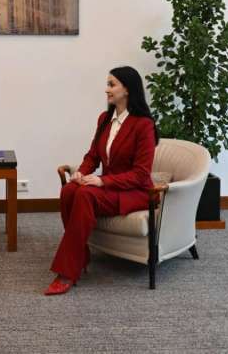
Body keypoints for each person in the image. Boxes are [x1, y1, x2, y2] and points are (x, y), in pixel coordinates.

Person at [45, 66, 159, 295]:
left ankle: (67, 271)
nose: (107, 89)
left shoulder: (143, 125)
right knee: (69, 190)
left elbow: (140, 174)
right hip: (111, 187)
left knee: (85, 194)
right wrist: (81, 173)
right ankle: (80, 255)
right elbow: (93, 156)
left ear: (127, 89)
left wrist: (102, 182)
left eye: (112, 84)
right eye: (108, 84)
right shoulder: (105, 119)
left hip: (136, 191)